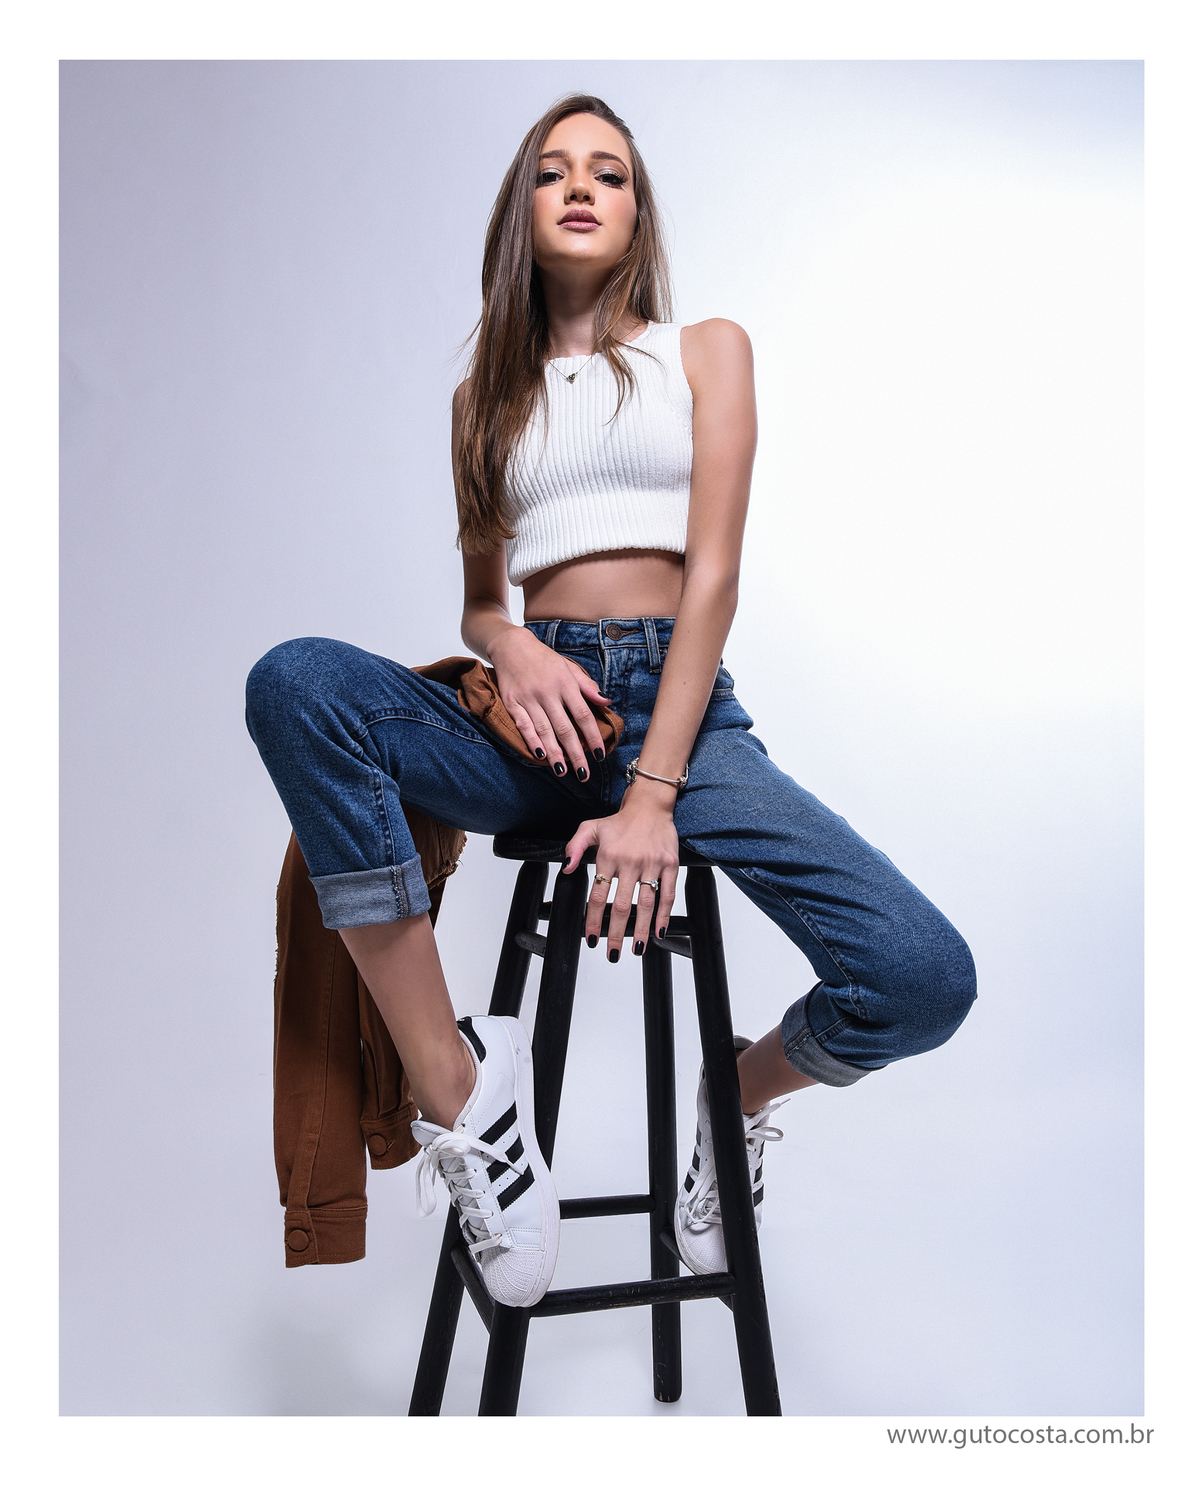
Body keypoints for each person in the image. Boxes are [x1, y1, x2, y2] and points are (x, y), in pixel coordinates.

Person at [245, 93, 977, 1311]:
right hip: (536, 723)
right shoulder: (484, 399)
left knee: (920, 974)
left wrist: (653, 796)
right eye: (554, 171)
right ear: (522, 210)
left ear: (638, 212)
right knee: (296, 682)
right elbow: (482, 603)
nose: (582, 186)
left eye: (611, 172)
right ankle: (464, 1097)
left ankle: (734, 1095)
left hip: (680, 716)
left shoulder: (706, 352)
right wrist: (513, 653)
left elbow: (716, 578)